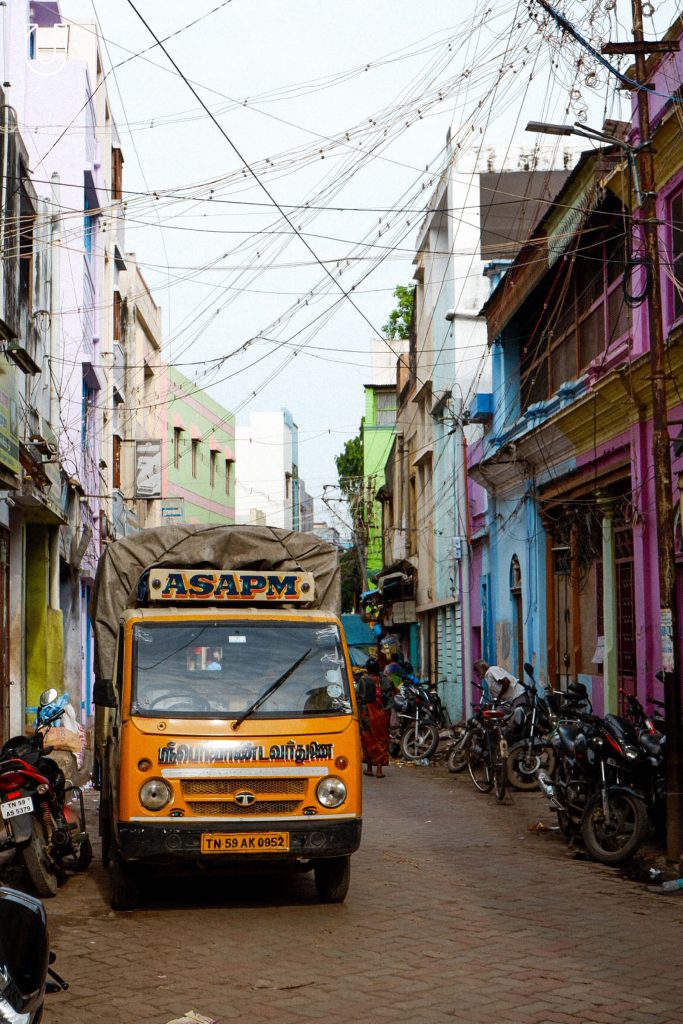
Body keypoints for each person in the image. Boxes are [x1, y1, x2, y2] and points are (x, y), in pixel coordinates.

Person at [357, 657, 391, 778]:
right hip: (381, 716)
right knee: (381, 740)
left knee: (368, 740)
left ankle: (370, 768)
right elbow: (389, 699)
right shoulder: (385, 680)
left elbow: (360, 698)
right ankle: (379, 770)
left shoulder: (364, 680)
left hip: (368, 716)